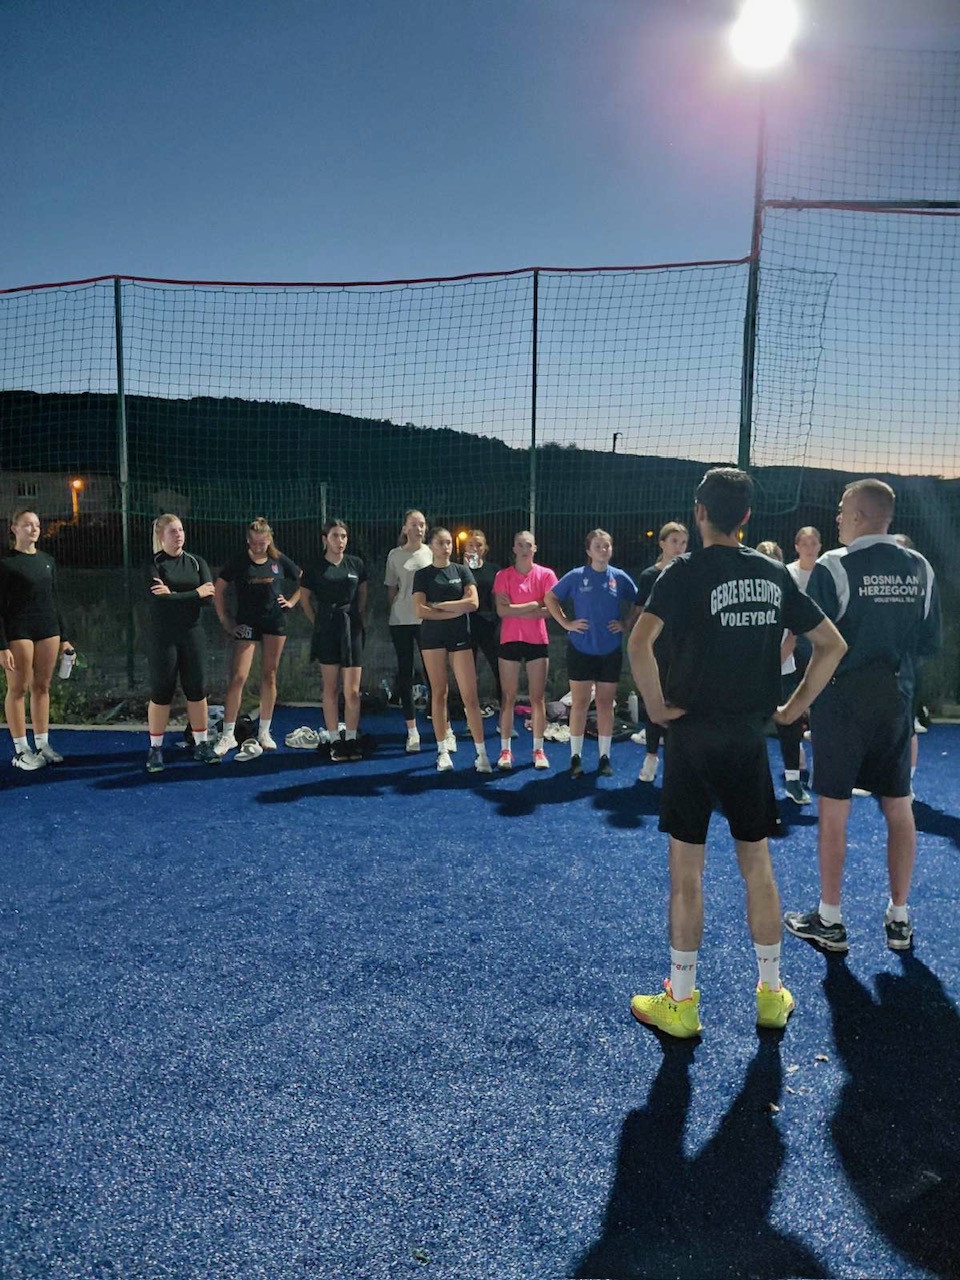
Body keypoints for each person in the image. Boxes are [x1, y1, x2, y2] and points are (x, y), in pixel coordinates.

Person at [627, 468, 846, 1038]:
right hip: (748, 738)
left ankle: (681, 1002)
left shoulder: (681, 572)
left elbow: (639, 642)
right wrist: (792, 708)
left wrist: (655, 705)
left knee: (687, 873)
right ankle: (771, 994)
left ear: (699, 512)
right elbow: (831, 645)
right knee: (758, 867)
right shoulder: (773, 573)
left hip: (693, 735)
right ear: (746, 517)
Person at [783, 480, 941, 954]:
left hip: (843, 703)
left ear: (858, 515)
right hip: (896, 699)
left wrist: (796, 706)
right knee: (899, 804)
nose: (837, 518)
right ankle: (900, 917)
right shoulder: (921, 567)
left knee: (834, 809)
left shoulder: (833, 566)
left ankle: (830, 919)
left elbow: (820, 646)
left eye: (841, 509)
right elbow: (927, 643)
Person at [545, 529, 638, 778]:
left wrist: (627, 623)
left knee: (606, 704)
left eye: (606, 546)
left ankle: (604, 757)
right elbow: (550, 597)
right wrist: (566, 623)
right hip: (581, 648)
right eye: (598, 546)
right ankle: (575, 757)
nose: (603, 550)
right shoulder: (577, 576)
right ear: (588, 550)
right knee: (580, 703)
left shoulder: (619, 577)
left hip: (610, 650)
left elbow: (639, 601)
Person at [213, 517, 301, 755]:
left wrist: (292, 601)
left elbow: (304, 580)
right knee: (238, 677)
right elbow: (218, 590)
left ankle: (264, 731)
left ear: (269, 539)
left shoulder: (279, 560)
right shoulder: (239, 561)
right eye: (254, 543)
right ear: (248, 540)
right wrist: (226, 622)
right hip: (247, 624)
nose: (259, 547)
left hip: (274, 622)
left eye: (263, 543)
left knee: (269, 675)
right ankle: (228, 735)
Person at [143, 514, 220, 772]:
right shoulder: (154, 564)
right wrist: (195, 593)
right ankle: (155, 749)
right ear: (161, 536)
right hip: (163, 637)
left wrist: (176, 595)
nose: (178, 535)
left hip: (193, 634)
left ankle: (202, 743)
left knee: (197, 689)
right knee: (161, 691)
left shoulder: (197, 562)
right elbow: (159, 600)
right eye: (172, 531)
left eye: (181, 530)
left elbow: (209, 598)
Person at [412, 527, 492, 774]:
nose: (446, 547)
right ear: (431, 546)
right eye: (440, 543)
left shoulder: (461, 571)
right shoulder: (423, 575)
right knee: (439, 693)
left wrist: (444, 606)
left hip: (459, 637)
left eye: (448, 543)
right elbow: (420, 610)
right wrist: (456, 610)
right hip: (432, 638)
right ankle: (442, 751)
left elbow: (473, 603)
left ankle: (481, 754)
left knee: (470, 696)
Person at [0, 509, 74, 770]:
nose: (33, 529)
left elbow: (54, 600)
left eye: (37, 525)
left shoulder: (47, 561)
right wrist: (2, 646)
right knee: (18, 689)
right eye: (27, 525)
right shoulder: (5, 563)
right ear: (14, 528)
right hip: (18, 631)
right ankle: (21, 751)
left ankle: (43, 744)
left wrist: (65, 639)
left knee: (42, 687)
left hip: (48, 630)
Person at [300, 518, 368, 763]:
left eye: (343, 536)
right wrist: (319, 623)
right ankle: (334, 740)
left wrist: (356, 619)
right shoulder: (315, 566)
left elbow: (362, 594)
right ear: (325, 539)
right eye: (335, 536)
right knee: (331, 688)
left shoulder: (356, 564)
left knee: (352, 691)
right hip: (327, 629)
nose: (340, 541)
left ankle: (350, 738)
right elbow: (305, 599)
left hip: (351, 629)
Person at [492, 531, 558, 771]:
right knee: (508, 697)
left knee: (537, 698)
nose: (524, 549)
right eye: (519, 545)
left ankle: (538, 750)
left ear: (535, 548)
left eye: (528, 545)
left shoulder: (546, 575)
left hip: (537, 641)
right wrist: (532, 605)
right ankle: (505, 750)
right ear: (514, 548)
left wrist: (516, 609)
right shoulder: (503, 576)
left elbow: (551, 610)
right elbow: (502, 611)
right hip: (510, 640)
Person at [633, 521, 688, 784]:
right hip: (655, 650)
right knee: (654, 701)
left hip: (683, 650)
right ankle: (651, 756)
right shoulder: (649, 576)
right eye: (674, 541)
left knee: (679, 702)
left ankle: (678, 762)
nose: (679, 547)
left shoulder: (691, 574)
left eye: (683, 542)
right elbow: (638, 613)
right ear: (662, 543)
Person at [756, 540, 809, 806]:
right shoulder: (750, 591)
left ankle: (793, 781)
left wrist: (775, 663)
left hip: (784, 671)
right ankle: (750, 784)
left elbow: (793, 634)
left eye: (774, 558)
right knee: (749, 728)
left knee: (789, 727)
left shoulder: (788, 590)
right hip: (752, 674)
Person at [384, 509, 433, 754]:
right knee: (406, 672)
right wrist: (399, 606)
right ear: (404, 528)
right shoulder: (394, 555)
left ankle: (442, 726)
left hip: (427, 620)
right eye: (413, 524)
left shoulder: (431, 552)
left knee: (433, 672)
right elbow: (391, 589)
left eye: (422, 524)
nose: (418, 528)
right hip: (401, 621)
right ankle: (412, 731)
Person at [462, 530, 502, 716]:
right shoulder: (459, 570)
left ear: (485, 548)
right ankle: (471, 712)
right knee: (468, 672)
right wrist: (465, 569)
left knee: (498, 667)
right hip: (467, 625)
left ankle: (504, 711)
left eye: (478, 545)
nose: (475, 548)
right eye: (471, 545)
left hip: (489, 624)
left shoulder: (494, 570)